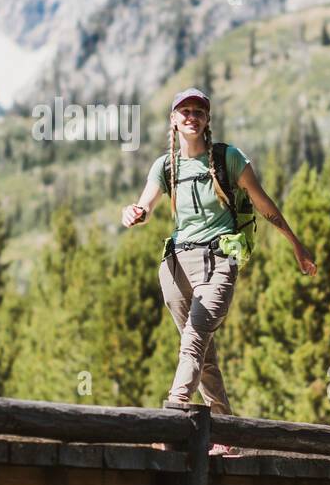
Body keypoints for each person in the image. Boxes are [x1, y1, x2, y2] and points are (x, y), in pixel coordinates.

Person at [121, 88, 317, 455]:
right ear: (174, 119)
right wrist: (132, 213)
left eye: (199, 111)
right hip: (176, 265)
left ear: (208, 120)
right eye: (185, 111)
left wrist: (296, 244)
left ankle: (174, 415)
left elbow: (264, 204)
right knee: (202, 354)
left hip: (219, 260)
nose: (192, 116)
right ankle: (225, 437)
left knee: (194, 339)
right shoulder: (166, 166)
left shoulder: (229, 158)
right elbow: (144, 205)